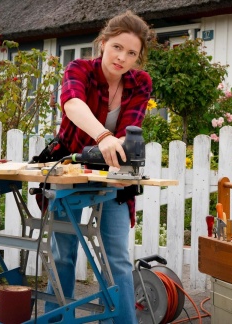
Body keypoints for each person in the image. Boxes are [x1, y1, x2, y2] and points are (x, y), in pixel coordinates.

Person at [44, 10, 154, 323]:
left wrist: (116, 150)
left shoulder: (140, 83)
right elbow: (72, 104)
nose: (122, 57)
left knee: (116, 256)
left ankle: (123, 320)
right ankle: (56, 319)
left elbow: (131, 130)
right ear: (103, 43)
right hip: (68, 170)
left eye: (131, 53)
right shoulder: (79, 68)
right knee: (63, 253)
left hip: (113, 175)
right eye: (117, 47)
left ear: (138, 58)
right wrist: (103, 136)